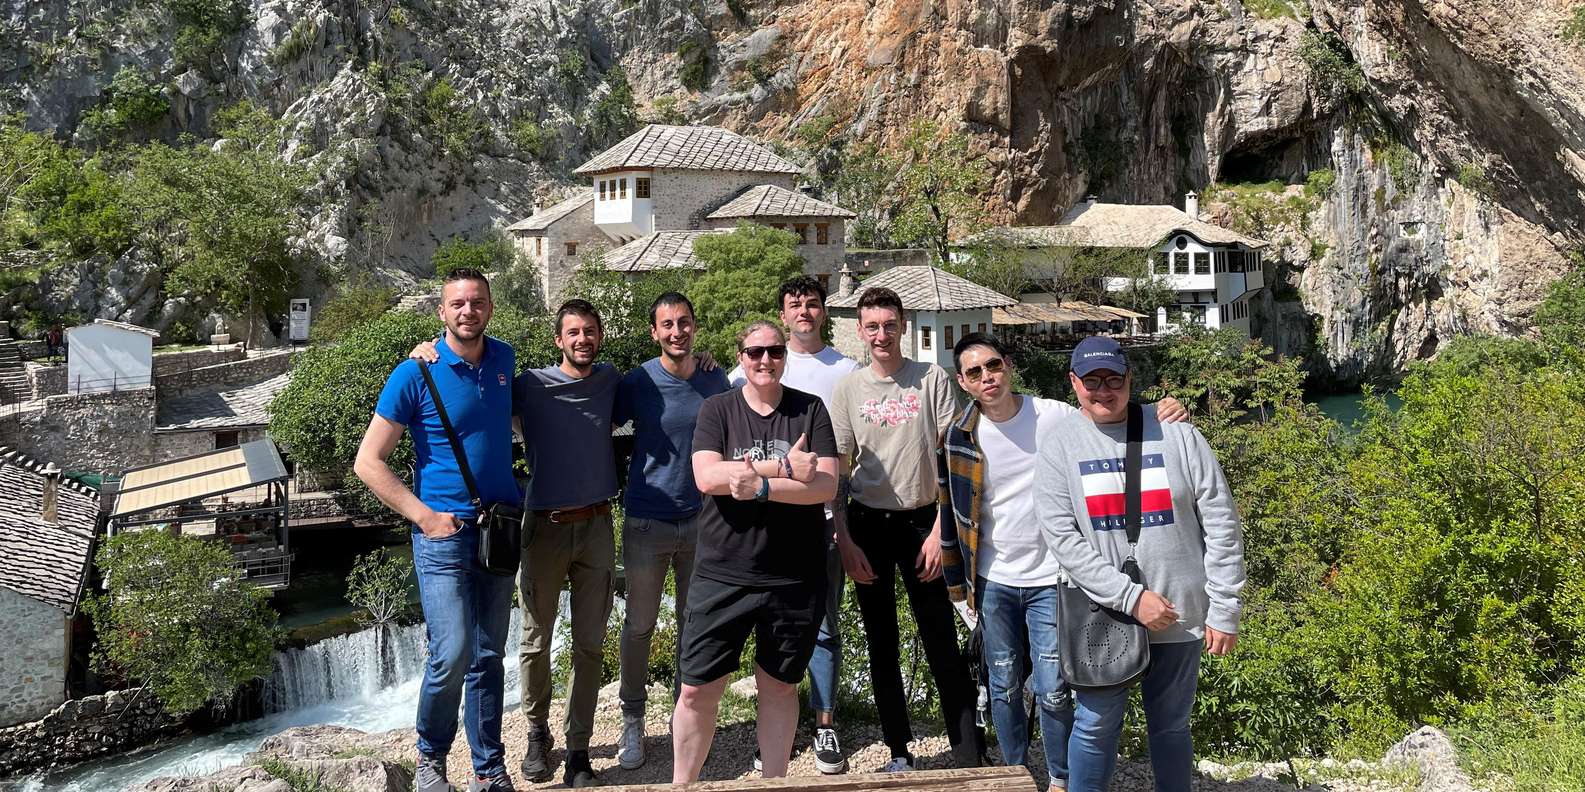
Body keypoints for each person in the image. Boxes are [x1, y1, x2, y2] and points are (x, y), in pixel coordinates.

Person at [939, 333, 1188, 789]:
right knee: (1002, 682)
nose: (987, 377)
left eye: (993, 365)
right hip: (993, 576)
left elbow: (1107, 410)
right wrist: (959, 585)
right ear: (963, 382)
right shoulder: (959, 435)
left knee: (1054, 686)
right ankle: (1014, 772)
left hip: (1053, 575)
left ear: (1007, 365)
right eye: (974, 372)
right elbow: (951, 509)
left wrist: (1158, 410)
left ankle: (1060, 777)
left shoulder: (1051, 415)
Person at [1033, 335, 1246, 792]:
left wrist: (1225, 606)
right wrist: (1132, 600)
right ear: (1074, 383)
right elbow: (1063, 540)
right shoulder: (1059, 445)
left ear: (1131, 379)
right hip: (1103, 612)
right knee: (1094, 723)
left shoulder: (1178, 433)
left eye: (1113, 379)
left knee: (1171, 725)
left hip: (1180, 610)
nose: (1103, 390)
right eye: (1092, 381)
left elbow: (1221, 521)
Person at [353, 268, 520, 792]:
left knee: (489, 656)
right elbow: (368, 462)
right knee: (451, 652)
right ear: (442, 311)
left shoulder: (505, 360)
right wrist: (423, 516)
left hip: (498, 531)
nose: (468, 311)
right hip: (442, 536)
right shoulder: (414, 373)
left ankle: (488, 769)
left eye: (477, 302)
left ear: (490, 307)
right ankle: (431, 758)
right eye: (458, 304)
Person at [671, 320, 840, 783]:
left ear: (785, 356)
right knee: (696, 691)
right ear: (740, 358)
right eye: (755, 352)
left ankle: (774, 784)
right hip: (722, 573)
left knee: (780, 688)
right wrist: (785, 467)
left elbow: (825, 485)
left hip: (793, 576)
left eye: (775, 351)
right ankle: (681, 785)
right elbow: (708, 477)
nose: (765, 360)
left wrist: (758, 485)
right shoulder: (717, 409)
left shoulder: (811, 409)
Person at [829, 286, 985, 771]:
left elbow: (948, 453)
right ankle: (899, 750)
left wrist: (941, 529)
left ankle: (968, 750)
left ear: (903, 327)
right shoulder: (848, 389)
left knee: (940, 636)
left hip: (923, 521)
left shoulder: (929, 379)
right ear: (860, 331)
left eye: (889, 325)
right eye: (872, 327)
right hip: (867, 523)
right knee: (882, 642)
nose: (882, 335)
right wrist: (844, 540)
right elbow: (839, 469)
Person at [727, 275, 860, 774]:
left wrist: (841, 524)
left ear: (824, 311)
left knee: (823, 627)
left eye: (812, 303)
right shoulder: (748, 369)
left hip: (821, 520)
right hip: (759, 526)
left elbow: (845, 459)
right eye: (794, 304)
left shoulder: (845, 370)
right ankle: (774, 728)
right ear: (782, 315)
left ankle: (825, 723)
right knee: (765, 627)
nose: (804, 311)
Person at [609, 292, 731, 770]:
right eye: (667, 324)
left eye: (684, 322)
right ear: (654, 332)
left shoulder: (714, 377)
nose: (677, 331)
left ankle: (687, 718)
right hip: (647, 520)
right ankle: (632, 719)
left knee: (692, 624)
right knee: (639, 625)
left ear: (694, 326)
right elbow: (595, 418)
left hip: (702, 520)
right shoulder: (637, 381)